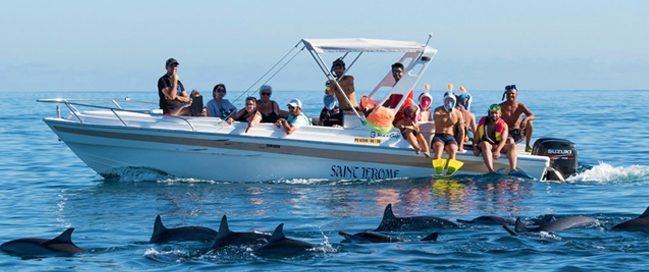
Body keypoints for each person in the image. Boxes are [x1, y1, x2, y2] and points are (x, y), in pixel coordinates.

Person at [473, 104, 517, 173]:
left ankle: (513, 170)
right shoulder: (482, 123)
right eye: (492, 113)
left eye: (496, 113)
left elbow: (503, 140)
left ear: (500, 114)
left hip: (496, 145)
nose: (494, 115)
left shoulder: (504, 125)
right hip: (485, 145)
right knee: (485, 144)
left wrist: (498, 151)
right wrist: (475, 148)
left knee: (513, 145)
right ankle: (491, 170)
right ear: (489, 113)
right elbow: (476, 139)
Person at [500, 85, 535, 152]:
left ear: (516, 95)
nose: (510, 95)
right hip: (506, 133)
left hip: (518, 133)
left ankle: (527, 146)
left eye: (512, 93)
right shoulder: (501, 106)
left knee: (530, 122)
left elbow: (532, 115)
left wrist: (526, 119)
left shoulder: (520, 106)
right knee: (511, 142)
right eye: (508, 93)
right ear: (505, 94)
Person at [431, 93, 465, 160]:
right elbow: (436, 117)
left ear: (454, 101)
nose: (449, 102)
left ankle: (450, 169)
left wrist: (460, 145)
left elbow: (461, 131)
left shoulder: (458, 113)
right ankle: (438, 170)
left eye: (451, 100)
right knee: (439, 148)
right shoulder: (438, 110)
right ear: (444, 101)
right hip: (439, 136)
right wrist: (446, 114)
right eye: (447, 100)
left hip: (450, 137)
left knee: (453, 149)